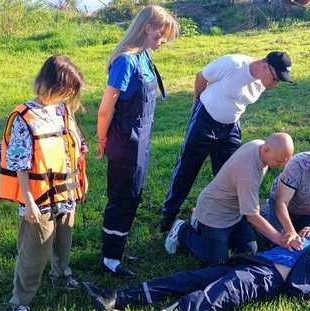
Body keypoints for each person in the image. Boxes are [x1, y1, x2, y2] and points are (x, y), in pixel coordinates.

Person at [82, 225, 310, 311]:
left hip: (265, 278)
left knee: (207, 297)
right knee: (186, 279)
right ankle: (116, 297)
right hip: (251, 263)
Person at [0, 55, 88, 311]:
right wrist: (29, 202)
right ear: (51, 83)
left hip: (65, 191)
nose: (70, 94)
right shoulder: (24, 117)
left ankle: (61, 276)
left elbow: (73, 143)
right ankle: (20, 301)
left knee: (64, 243)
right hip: (38, 197)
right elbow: (19, 164)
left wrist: (80, 147)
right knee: (35, 250)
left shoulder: (62, 110)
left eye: (73, 90)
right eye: (67, 88)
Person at [160, 51, 294, 232]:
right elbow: (201, 76)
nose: (276, 84)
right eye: (276, 79)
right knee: (187, 168)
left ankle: (229, 217)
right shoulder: (233, 64)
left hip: (230, 127)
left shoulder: (263, 81)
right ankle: (168, 216)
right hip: (205, 121)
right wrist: (196, 100)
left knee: (231, 173)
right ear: (264, 66)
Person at [95, 5, 179, 280]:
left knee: (133, 195)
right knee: (122, 197)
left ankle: (115, 250)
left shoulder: (144, 57)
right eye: (160, 36)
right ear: (147, 29)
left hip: (140, 140)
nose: (162, 42)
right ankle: (109, 259)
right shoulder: (126, 62)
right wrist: (102, 139)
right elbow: (106, 108)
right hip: (125, 141)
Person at [163, 132, 297, 267]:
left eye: (285, 160)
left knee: (248, 251)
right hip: (214, 214)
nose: (282, 166)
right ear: (266, 149)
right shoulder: (248, 174)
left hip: (235, 211)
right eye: (278, 161)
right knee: (218, 263)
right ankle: (182, 230)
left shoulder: (259, 144)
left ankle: (198, 220)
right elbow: (252, 217)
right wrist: (279, 239)